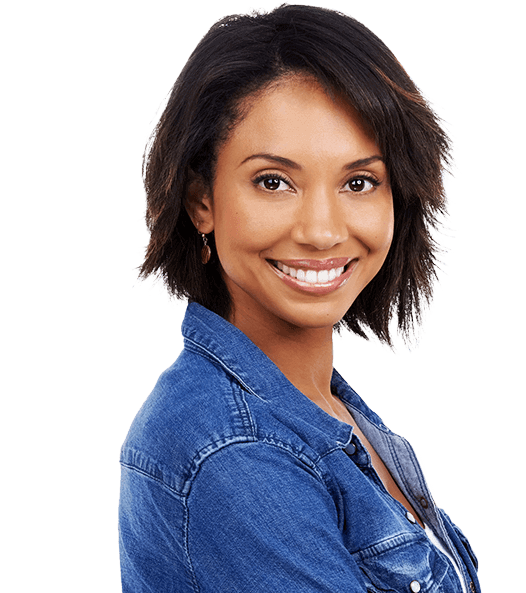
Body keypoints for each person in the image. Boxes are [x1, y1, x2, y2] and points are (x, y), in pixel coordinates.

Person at [119, 3, 480, 592]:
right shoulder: (233, 451)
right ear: (200, 201)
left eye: (358, 182)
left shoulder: (330, 411)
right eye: (274, 182)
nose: (321, 230)